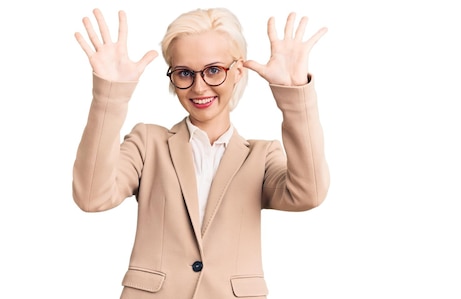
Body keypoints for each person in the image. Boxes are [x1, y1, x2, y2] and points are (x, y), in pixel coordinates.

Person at [72, 6, 330, 299]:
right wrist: (110, 95)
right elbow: (92, 196)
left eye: (213, 70)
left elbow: (310, 192)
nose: (199, 87)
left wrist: (294, 96)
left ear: (237, 72)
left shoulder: (262, 156)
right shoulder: (148, 143)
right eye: (184, 73)